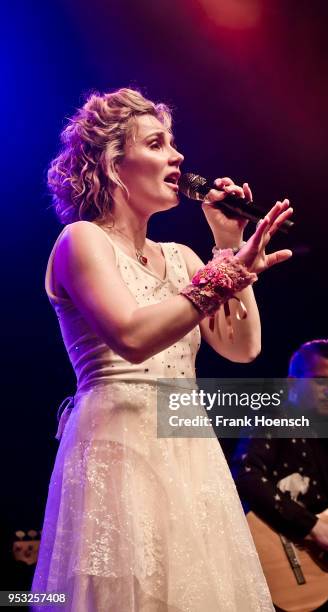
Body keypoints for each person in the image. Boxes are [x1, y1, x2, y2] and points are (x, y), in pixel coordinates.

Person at [31, 87, 294, 611]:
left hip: (188, 445)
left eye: (173, 144)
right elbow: (131, 336)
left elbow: (243, 348)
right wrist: (228, 273)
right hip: (119, 443)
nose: (177, 156)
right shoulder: (82, 241)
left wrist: (225, 247)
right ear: (112, 164)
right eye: (157, 144)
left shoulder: (181, 256)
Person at [234, 340, 328, 609]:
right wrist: (312, 527)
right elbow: (246, 475)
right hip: (266, 571)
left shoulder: (321, 443)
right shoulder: (273, 419)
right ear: (292, 383)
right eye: (321, 381)